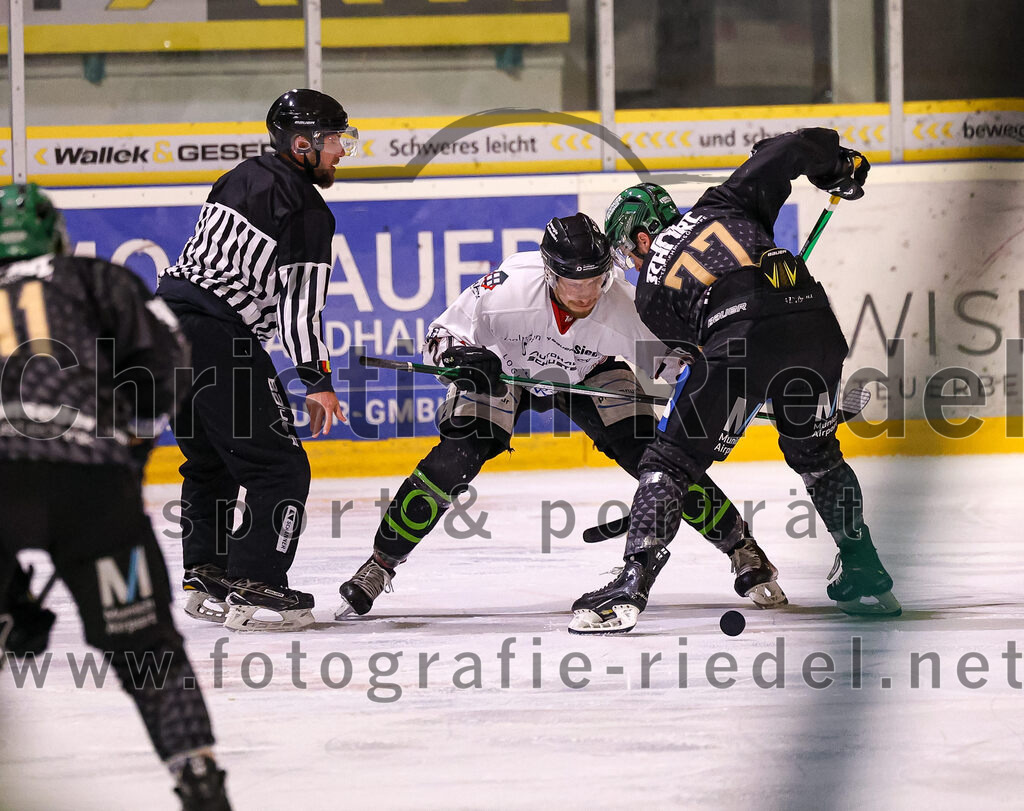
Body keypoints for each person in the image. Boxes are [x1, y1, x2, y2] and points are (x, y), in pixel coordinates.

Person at [334, 212, 786, 619]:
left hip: (590, 372)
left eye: (596, 277)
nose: (586, 291)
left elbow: (674, 365)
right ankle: (379, 564)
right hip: (506, 369)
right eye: (573, 280)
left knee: (659, 459)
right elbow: (441, 334)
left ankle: (743, 549)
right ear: (550, 273)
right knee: (455, 458)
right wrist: (463, 358)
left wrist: (715, 386)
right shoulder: (506, 289)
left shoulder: (625, 306)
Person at [570, 128, 901, 634]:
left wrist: (717, 434)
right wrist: (837, 167)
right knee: (816, 454)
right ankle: (864, 569)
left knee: (668, 462)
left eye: (626, 253)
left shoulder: (650, 297)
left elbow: (722, 376)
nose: (629, 266)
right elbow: (790, 148)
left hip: (742, 338)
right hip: (816, 327)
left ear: (641, 237)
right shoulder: (722, 204)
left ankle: (630, 584)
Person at [0, 183, 231, 809]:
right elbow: (169, 360)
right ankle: (198, 777)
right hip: (88, 483)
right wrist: (129, 446)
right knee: (146, 647)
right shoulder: (91, 277)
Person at [158, 89, 358, 631]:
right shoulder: (308, 211)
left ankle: (208, 571)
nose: (342, 150)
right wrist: (316, 380)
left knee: (211, 461)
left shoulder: (239, 175)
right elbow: (299, 310)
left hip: (165, 329)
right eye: (337, 139)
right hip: (216, 336)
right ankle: (257, 581)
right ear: (303, 144)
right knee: (280, 467)